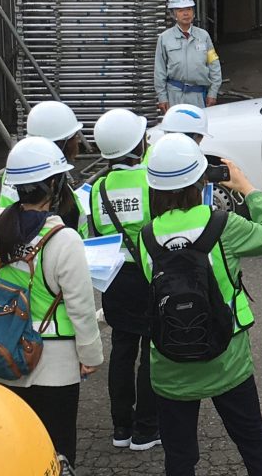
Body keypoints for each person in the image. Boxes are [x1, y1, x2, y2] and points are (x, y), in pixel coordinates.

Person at [139, 133, 262, 476]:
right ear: (200, 181)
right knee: (253, 444)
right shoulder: (223, 225)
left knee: (179, 457)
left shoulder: (146, 236)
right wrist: (246, 186)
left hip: (169, 362)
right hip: (227, 359)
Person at [0, 137, 103, 467]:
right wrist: (90, 355)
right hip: (55, 365)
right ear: (54, 185)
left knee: (18, 451)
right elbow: (81, 307)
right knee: (57, 453)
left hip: (5, 356)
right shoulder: (64, 239)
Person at [88, 108, 161, 451]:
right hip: (148, 276)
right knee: (151, 351)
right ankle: (146, 429)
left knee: (121, 349)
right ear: (137, 146)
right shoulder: (150, 180)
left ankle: (121, 428)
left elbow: (93, 232)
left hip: (115, 277)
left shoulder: (97, 188)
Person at [0, 100, 87, 231]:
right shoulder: (49, 179)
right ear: (62, 143)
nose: (78, 141)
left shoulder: (17, 167)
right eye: (74, 137)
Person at [154, 0, 222, 114]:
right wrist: (162, 97)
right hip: (174, 96)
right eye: (180, 10)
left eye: (189, 9)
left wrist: (213, 93)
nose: (186, 13)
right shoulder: (164, 38)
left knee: (198, 125)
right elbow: (160, 70)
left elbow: (214, 65)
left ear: (193, 12)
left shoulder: (204, 36)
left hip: (198, 96)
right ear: (173, 14)